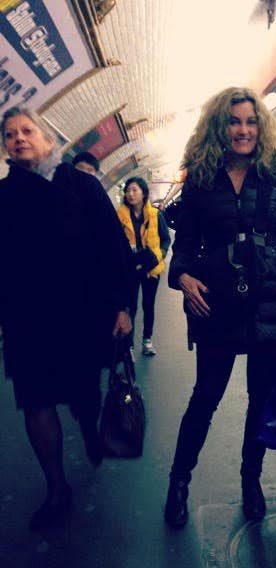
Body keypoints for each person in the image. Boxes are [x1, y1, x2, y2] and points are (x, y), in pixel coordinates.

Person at [163, 86, 276, 529]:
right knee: (205, 398)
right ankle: (178, 481)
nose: (244, 130)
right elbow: (184, 244)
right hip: (216, 304)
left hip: (271, 303)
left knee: (260, 400)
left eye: (251, 121)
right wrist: (182, 276)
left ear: (260, 126)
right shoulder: (200, 179)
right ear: (221, 126)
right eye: (235, 121)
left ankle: (251, 480)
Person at [0, 106, 133, 530]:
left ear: (47, 140)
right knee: (35, 402)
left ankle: (91, 431)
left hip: (81, 313)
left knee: (82, 392)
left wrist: (122, 306)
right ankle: (56, 488)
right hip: (26, 319)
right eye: (10, 134)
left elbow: (113, 247)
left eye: (27, 130)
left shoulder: (82, 186)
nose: (18, 138)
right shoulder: (4, 196)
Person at [117, 177, 170, 356]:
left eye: (134, 190)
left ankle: (147, 340)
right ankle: (129, 345)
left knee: (148, 305)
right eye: (128, 190)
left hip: (150, 267)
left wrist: (159, 255)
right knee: (130, 306)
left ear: (143, 193)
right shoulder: (120, 216)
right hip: (129, 268)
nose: (130, 194)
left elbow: (166, 239)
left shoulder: (155, 215)